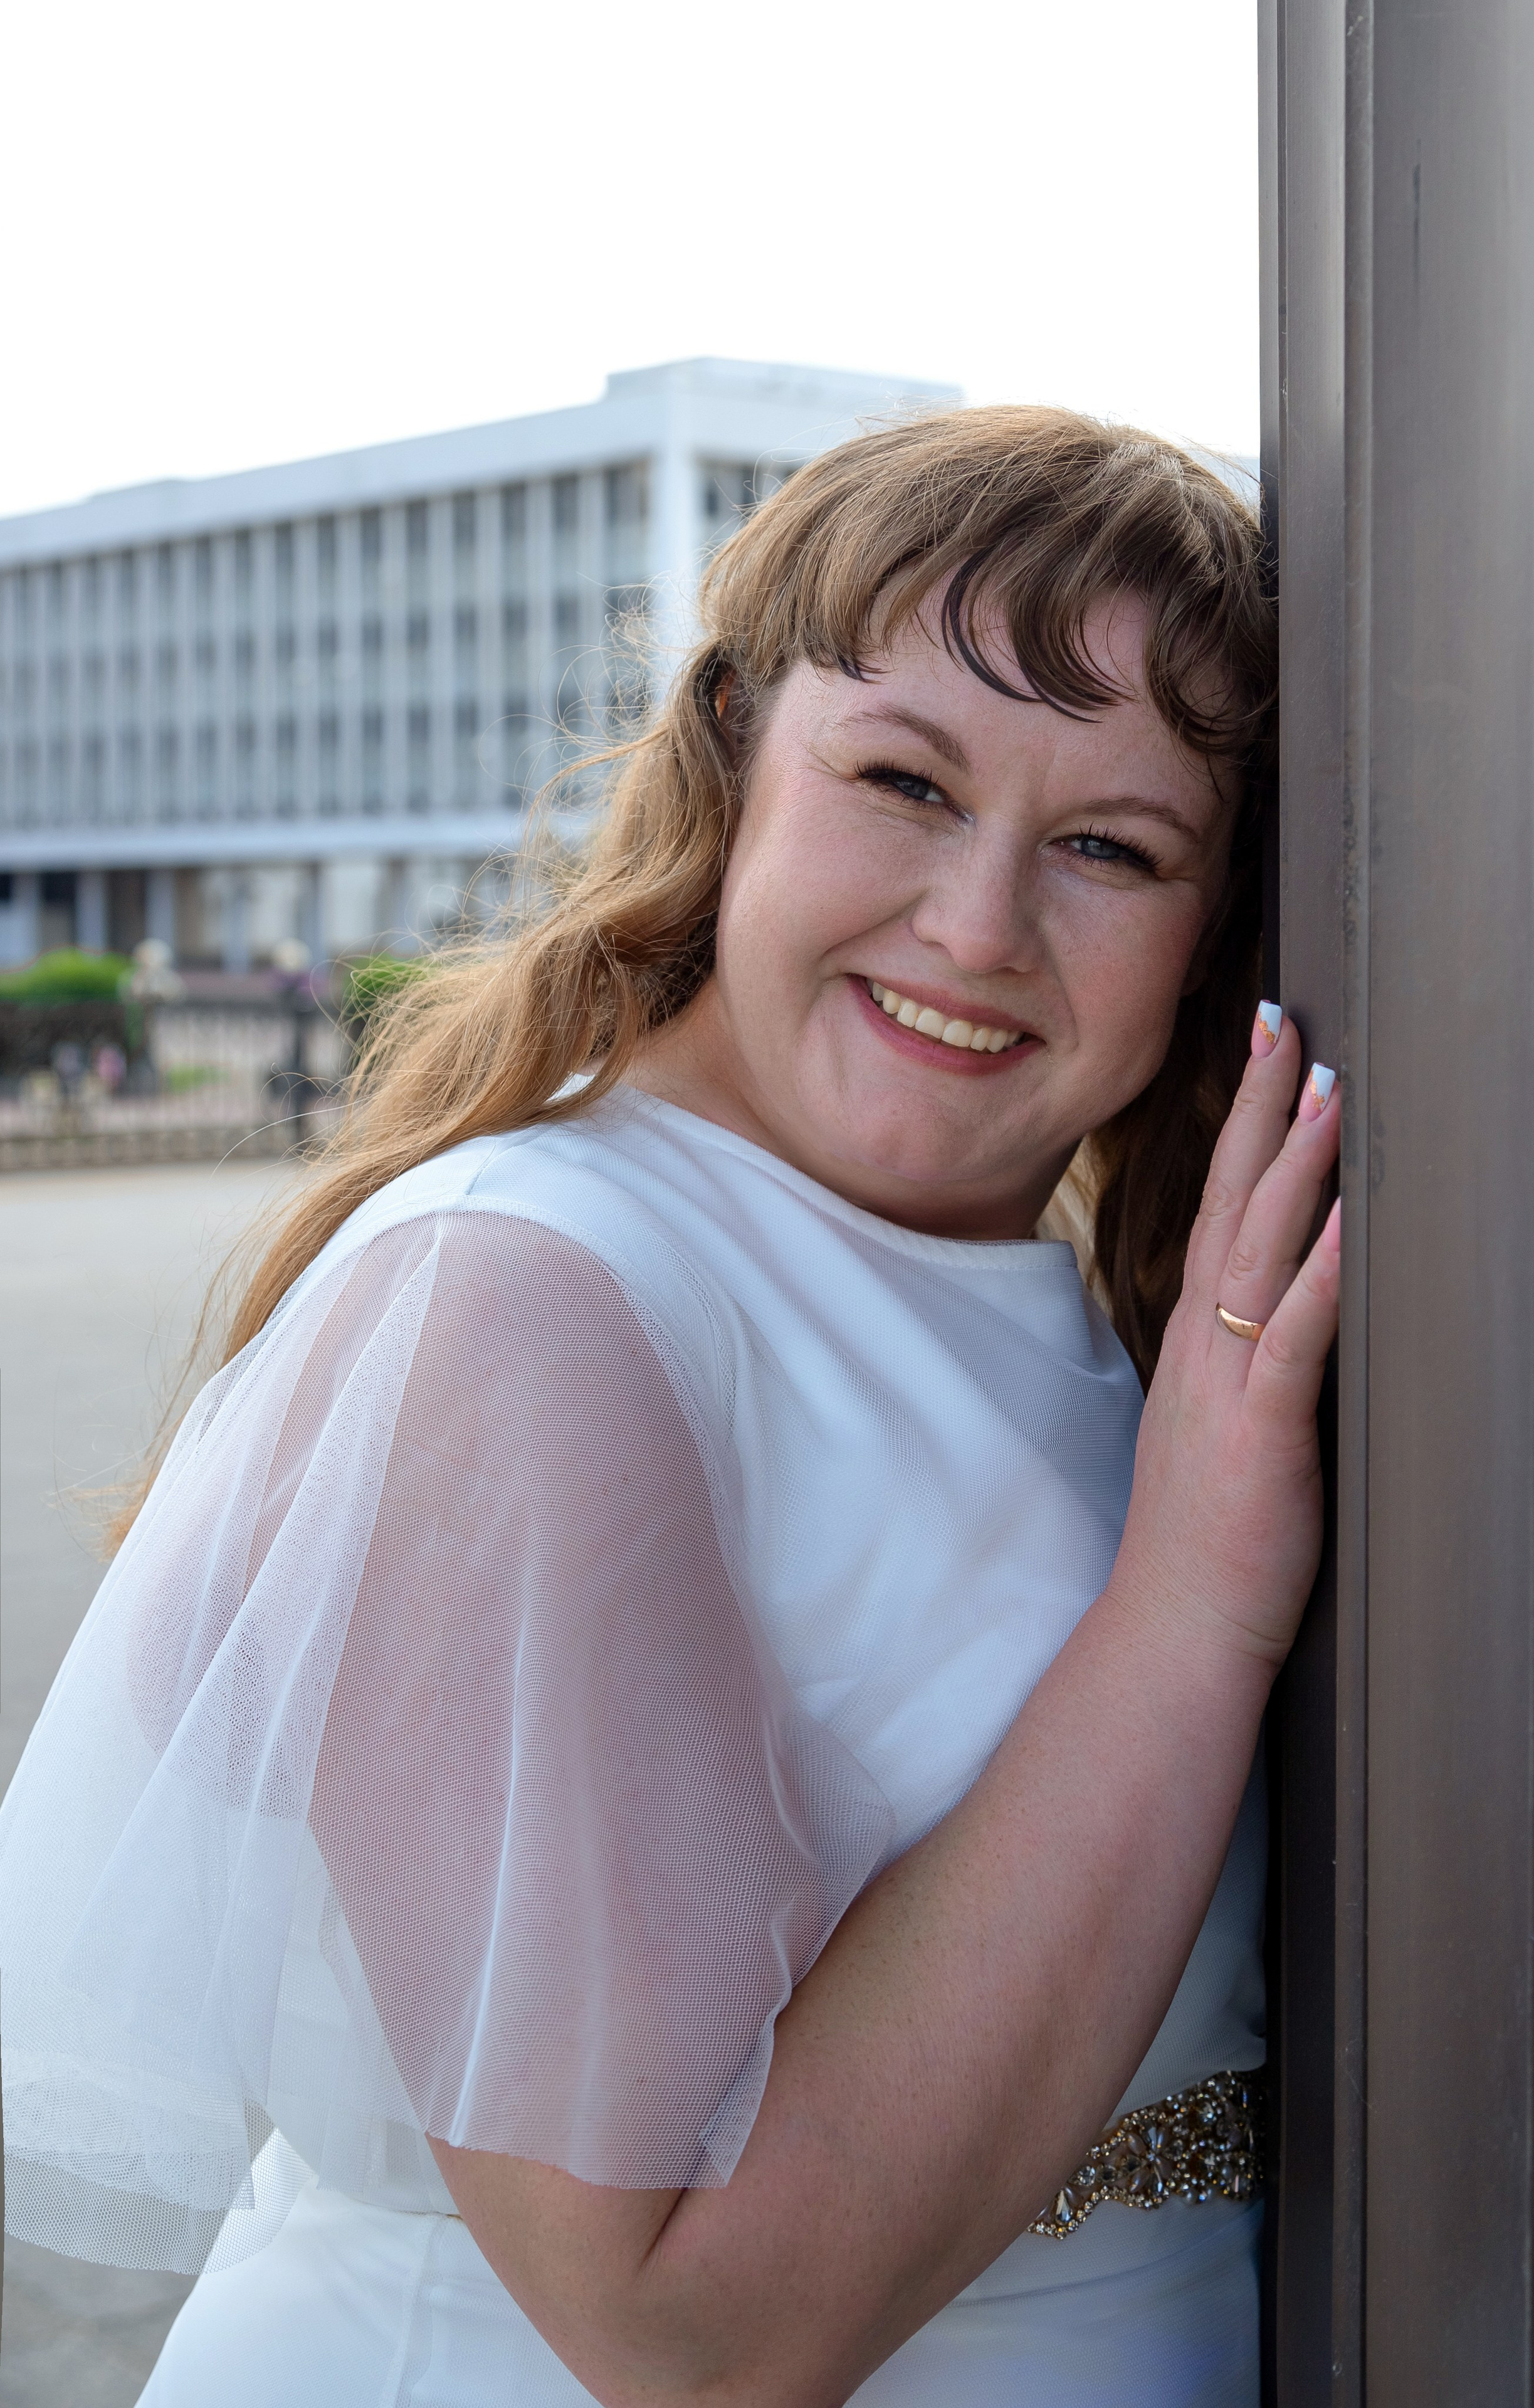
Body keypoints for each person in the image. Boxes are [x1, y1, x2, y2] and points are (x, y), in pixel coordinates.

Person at [0, 407, 1339, 2407]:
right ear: (734, 757)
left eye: (1107, 846)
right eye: (902, 780)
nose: (979, 926)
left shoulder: (1099, 1303)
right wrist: (1193, 1601)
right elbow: (684, 2319)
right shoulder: (520, 1299)